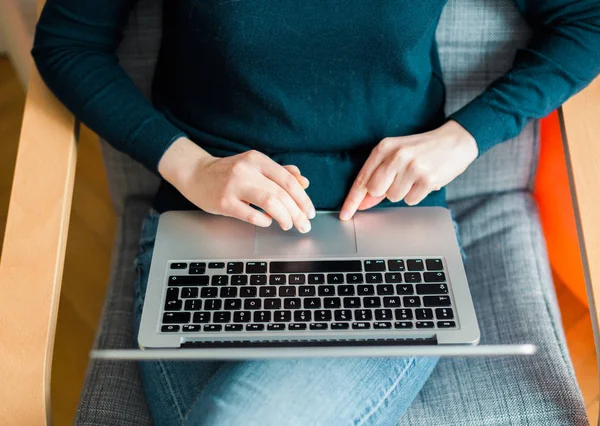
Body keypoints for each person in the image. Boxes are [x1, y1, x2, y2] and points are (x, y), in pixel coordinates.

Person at [32, 1, 600, 425]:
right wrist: (189, 166)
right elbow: (67, 42)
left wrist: (465, 136)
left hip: (387, 236)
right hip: (208, 227)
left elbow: (587, 19)